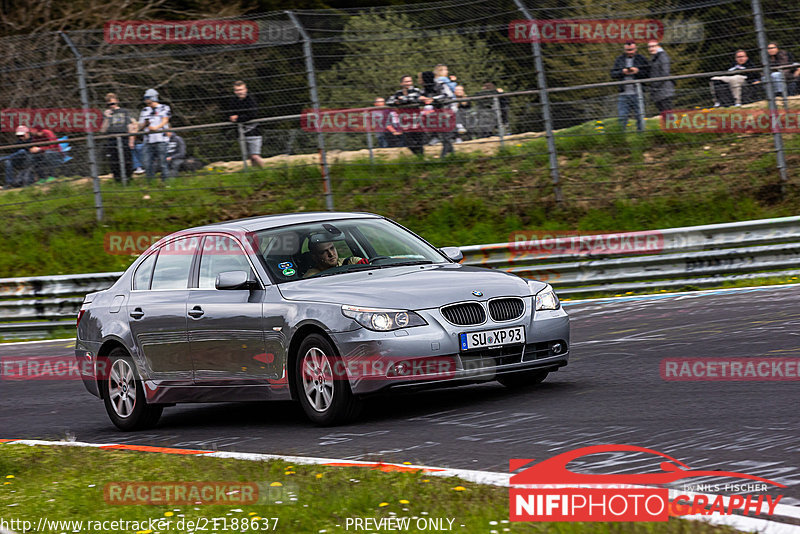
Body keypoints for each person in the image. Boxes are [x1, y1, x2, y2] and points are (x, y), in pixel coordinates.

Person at [611, 41, 651, 132]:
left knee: (640, 116)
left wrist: (638, 71)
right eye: (627, 50)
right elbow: (612, 74)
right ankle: (621, 137)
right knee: (622, 116)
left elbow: (648, 73)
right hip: (623, 93)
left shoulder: (641, 59)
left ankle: (641, 135)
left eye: (631, 50)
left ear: (636, 49)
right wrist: (622, 72)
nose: (630, 52)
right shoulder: (619, 59)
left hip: (638, 93)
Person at [224, 81, 265, 168]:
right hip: (241, 131)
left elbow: (252, 114)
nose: (240, 92)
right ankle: (256, 172)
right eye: (237, 90)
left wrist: (238, 118)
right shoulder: (233, 101)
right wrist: (232, 117)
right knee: (250, 156)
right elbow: (229, 113)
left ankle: (265, 170)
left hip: (253, 131)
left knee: (255, 155)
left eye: (241, 89)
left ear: (245, 89)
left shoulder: (250, 100)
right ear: (235, 91)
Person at [387, 75, 426, 156]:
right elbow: (389, 101)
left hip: (417, 121)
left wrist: (403, 99)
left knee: (419, 142)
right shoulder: (398, 93)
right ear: (402, 83)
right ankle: (420, 157)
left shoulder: (416, 90)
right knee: (409, 143)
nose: (409, 83)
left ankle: (422, 159)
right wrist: (397, 101)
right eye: (406, 81)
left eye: (410, 81)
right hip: (405, 122)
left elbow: (418, 98)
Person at [137, 88, 171, 182]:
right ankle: (151, 183)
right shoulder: (145, 110)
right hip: (148, 140)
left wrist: (156, 127)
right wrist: (145, 124)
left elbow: (165, 120)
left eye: (148, 98)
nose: (146, 100)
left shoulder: (164, 107)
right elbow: (140, 125)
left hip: (161, 139)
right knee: (147, 163)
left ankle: (166, 183)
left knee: (163, 163)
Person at [419, 70, 456, 158]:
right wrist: (421, 98)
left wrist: (433, 99)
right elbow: (421, 95)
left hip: (446, 112)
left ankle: (444, 156)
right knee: (443, 136)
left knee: (445, 136)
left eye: (421, 78)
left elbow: (448, 95)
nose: (419, 80)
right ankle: (452, 155)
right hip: (436, 115)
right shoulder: (425, 88)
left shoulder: (441, 84)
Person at [100, 93, 136, 181]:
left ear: (117, 101)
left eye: (113, 103)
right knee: (114, 161)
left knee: (126, 159)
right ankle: (117, 179)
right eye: (109, 104)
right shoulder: (106, 114)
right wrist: (107, 118)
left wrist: (131, 140)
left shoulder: (124, 112)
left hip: (123, 137)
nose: (112, 106)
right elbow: (102, 130)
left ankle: (128, 178)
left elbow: (131, 126)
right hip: (112, 139)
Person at [647, 40, 675, 112]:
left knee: (667, 112)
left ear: (659, 46)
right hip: (658, 91)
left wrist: (655, 85)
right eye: (649, 47)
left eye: (653, 46)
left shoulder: (662, 56)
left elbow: (665, 72)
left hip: (664, 90)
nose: (651, 49)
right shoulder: (654, 58)